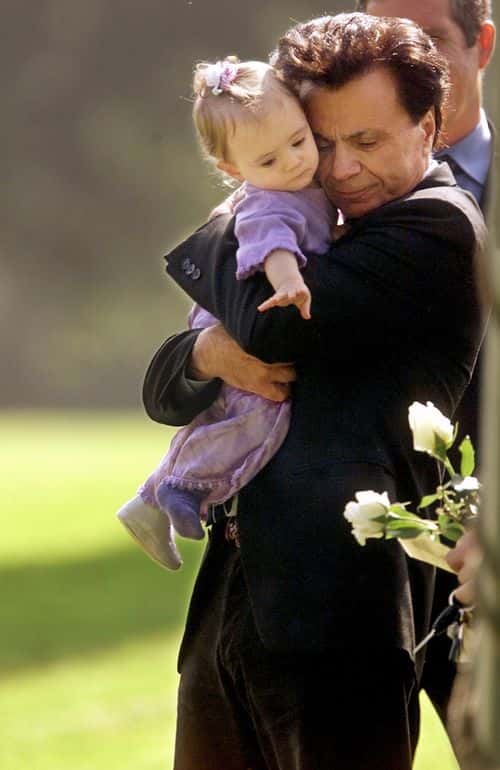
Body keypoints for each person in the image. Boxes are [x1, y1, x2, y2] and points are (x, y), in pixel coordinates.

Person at [143, 13, 488, 769]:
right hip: (234, 598)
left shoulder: (437, 227)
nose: (340, 169)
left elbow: (270, 330)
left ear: (429, 127)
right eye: (320, 143)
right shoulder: (313, 222)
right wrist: (205, 350)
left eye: (367, 142)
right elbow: (164, 390)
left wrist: (243, 205)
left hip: (338, 618)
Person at [116, 57, 335, 569]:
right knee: (258, 416)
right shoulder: (268, 202)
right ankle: (184, 488)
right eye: (270, 159)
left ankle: (150, 502)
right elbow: (272, 243)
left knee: (230, 415)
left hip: (230, 315)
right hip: (234, 322)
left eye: (299, 141)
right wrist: (290, 281)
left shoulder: (298, 188)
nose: (293, 163)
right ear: (234, 170)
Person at [356, 0, 496, 726]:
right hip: (354, 581)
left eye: (431, 40)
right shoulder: (306, 189)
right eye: (386, 43)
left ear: (483, 46)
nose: (406, 63)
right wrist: (205, 353)